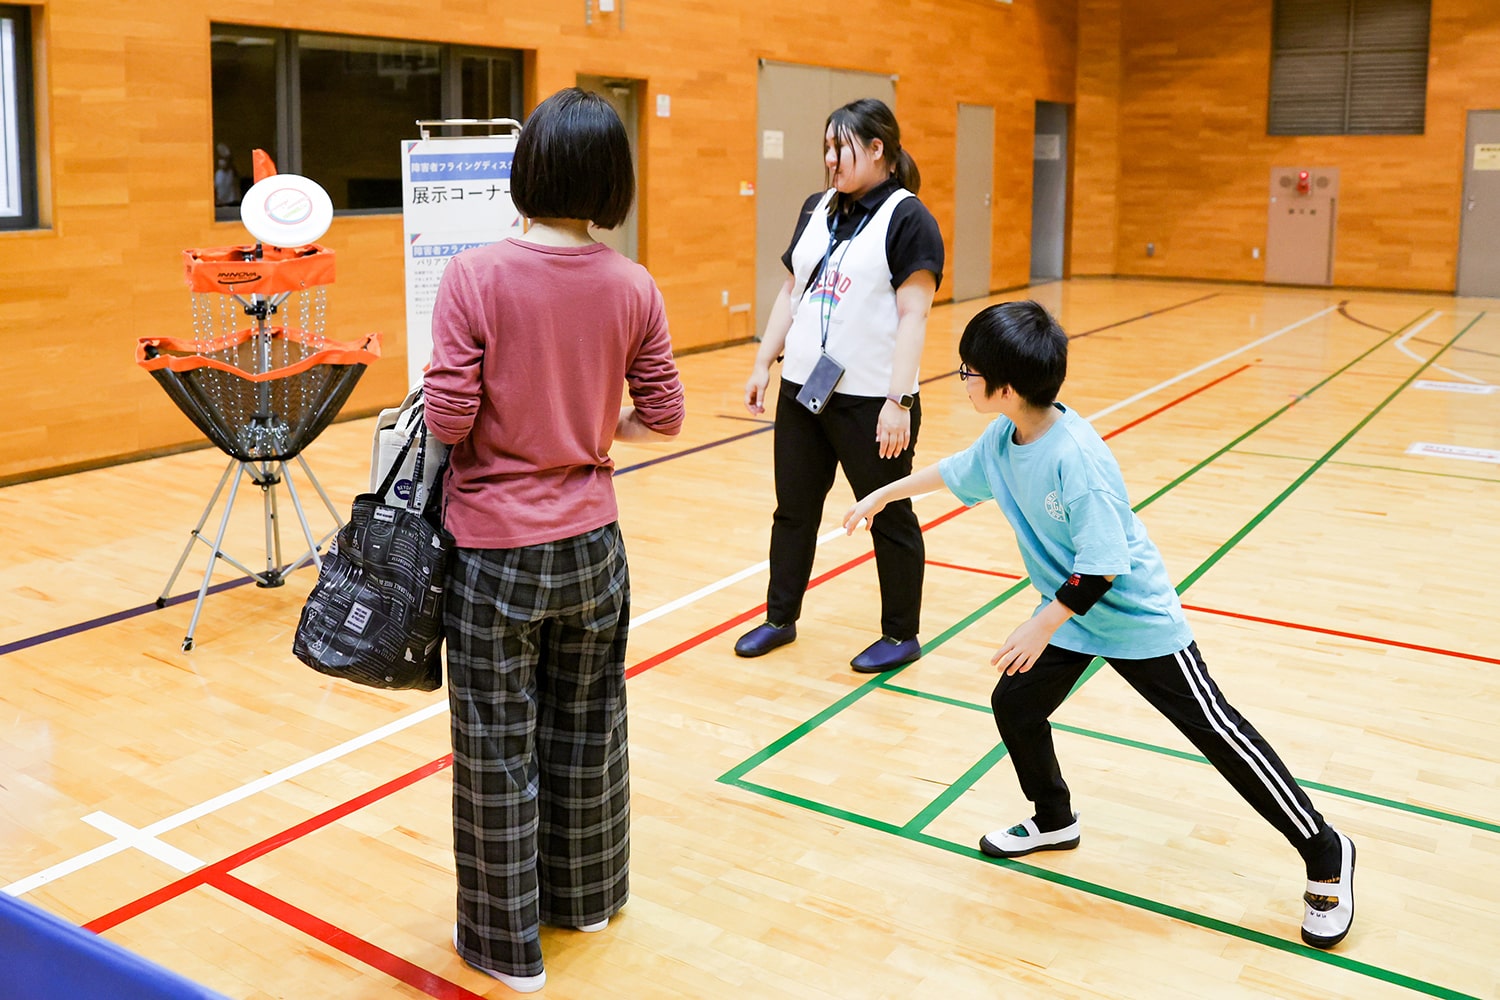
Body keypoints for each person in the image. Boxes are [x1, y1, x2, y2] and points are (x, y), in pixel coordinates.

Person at [843, 301, 1356, 949]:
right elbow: (953, 473)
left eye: (968, 370)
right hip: (1073, 611)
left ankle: (1326, 849)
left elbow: (1105, 566)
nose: (961, 379)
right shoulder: (1005, 438)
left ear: (1006, 386)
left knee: (1220, 734)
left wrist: (1041, 625)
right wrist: (880, 494)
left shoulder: (1075, 459)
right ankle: (1053, 819)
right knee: (1017, 704)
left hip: (1132, 616)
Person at [423, 87, 686, 992]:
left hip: (495, 552)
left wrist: (503, 420)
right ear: (612, 180)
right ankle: (583, 899)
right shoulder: (632, 284)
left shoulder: (474, 276)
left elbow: (450, 418)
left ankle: (505, 949)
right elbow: (667, 414)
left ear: (526, 168)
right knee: (590, 730)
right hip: (594, 546)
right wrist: (586, 427)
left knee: (497, 745)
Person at [737, 98, 944, 673]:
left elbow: (914, 317)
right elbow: (790, 291)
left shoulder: (908, 219)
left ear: (879, 149)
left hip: (873, 400)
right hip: (804, 390)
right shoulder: (816, 208)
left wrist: (899, 401)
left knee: (888, 513)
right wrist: (763, 362)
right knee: (793, 510)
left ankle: (901, 634)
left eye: (842, 147)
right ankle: (780, 618)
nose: (830, 159)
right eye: (826, 147)